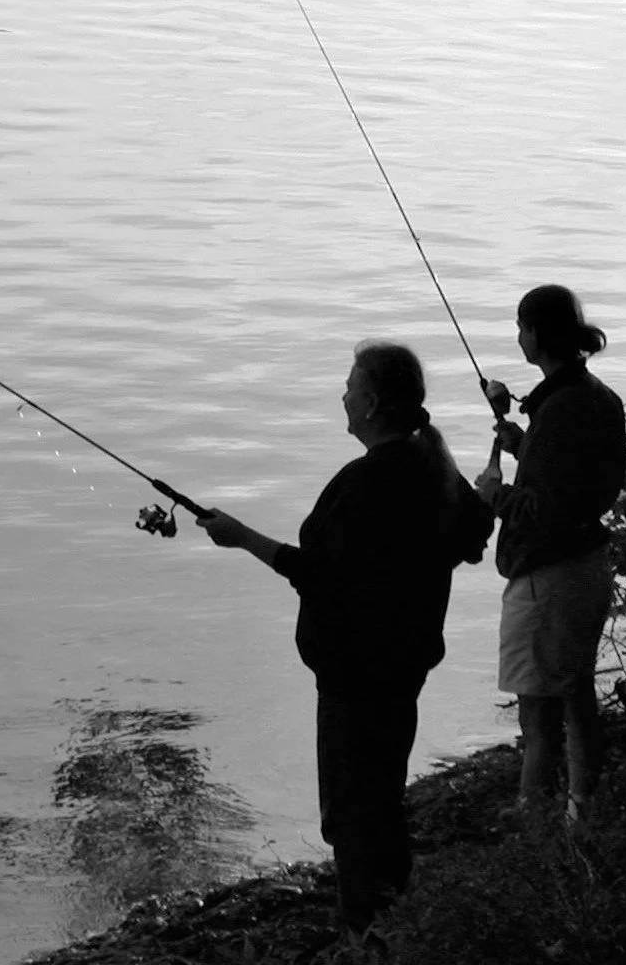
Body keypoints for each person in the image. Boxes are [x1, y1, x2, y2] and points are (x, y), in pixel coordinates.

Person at [198, 340, 492, 938]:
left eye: (351, 386)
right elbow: (472, 535)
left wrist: (242, 536)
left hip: (359, 673)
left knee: (352, 811)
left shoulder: (368, 481)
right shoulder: (429, 462)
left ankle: (366, 931)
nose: (344, 395)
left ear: (373, 402)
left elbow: (319, 574)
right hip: (404, 663)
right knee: (381, 795)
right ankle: (396, 917)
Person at [473, 284, 626, 826]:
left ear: (536, 333)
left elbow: (547, 509)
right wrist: (522, 445)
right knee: (575, 692)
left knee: (538, 712)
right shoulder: (596, 397)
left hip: (548, 576)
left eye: (521, 328)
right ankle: (582, 806)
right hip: (586, 563)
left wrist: (496, 496)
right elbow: (579, 482)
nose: (519, 337)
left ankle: (535, 816)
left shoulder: (560, 409)